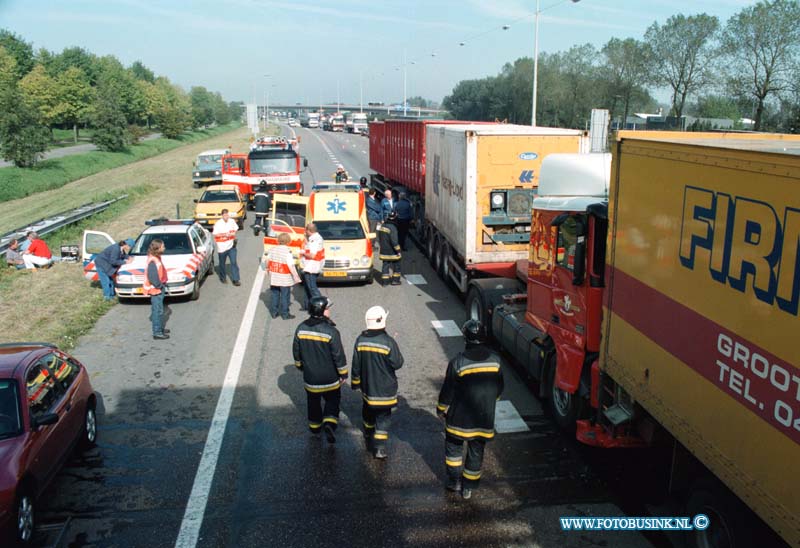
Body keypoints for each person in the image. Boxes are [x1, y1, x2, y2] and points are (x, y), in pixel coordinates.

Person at [436, 319, 504, 500]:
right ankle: (468, 487)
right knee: (476, 452)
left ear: (465, 338)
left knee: (453, 451)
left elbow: (448, 390)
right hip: (483, 420)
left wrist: (441, 408)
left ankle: (454, 481)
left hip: (458, 420)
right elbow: (498, 389)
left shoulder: (458, 362)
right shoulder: (495, 361)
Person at [351, 306, 404, 459]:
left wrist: (356, 383)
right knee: (383, 417)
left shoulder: (360, 340)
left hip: (368, 388)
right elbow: (397, 363)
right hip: (386, 389)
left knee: (368, 411)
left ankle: (368, 432)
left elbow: (356, 365)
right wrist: (394, 344)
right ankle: (380, 448)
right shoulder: (388, 342)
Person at [292, 296, 347, 443]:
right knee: (333, 400)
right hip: (330, 379)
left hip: (311, 379)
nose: (329, 311)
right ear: (322, 311)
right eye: (328, 309)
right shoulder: (331, 331)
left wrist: (300, 367)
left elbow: (296, 353)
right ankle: (329, 423)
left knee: (313, 402)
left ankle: (315, 427)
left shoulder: (301, 328)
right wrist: (343, 373)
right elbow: (338, 355)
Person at [266, 232, 301, 319]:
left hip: (274, 277)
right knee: (285, 296)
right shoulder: (287, 252)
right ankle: (285, 314)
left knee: (275, 295)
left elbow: (267, 261)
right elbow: (291, 266)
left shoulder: (272, 250)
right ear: (288, 241)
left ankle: (274, 312)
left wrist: (268, 270)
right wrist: (296, 277)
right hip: (284, 278)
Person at [143, 239, 170, 340]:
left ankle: (159, 328)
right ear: (157, 248)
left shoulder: (156, 257)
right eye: (163, 246)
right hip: (156, 290)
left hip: (158, 288)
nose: (164, 248)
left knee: (159, 310)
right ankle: (157, 332)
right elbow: (152, 277)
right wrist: (160, 285)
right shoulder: (153, 261)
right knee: (157, 311)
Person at [213, 209, 241, 286]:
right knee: (222, 263)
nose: (226, 217)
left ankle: (236, 279)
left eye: (227, 215)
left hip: (231, 246)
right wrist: (225, 235)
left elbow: (236, 229)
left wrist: (232, 234)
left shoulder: (231, 221)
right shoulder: (218, 224)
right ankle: (223, 277)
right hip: (222, 247)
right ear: (222, 215)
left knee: (234, 262)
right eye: (224, 215)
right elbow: (215, 234)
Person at [301, 223, 324, 310]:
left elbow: (312, 255)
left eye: (305, 230)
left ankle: (321, 305)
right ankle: (308, 305)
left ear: (308, 231)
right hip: (310, 266)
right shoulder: (314, 239)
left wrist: (302, 253)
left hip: (311, 267)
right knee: (308, 287)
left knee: (312, 288)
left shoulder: (315, 240)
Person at [377, 211, 402, 286]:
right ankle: (395, 280)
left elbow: (379, 238)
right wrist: (398, 251)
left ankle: (385, 282)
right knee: (397, 265)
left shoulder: (383, 226)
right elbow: (394, 241)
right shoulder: (393, 228)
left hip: (384, 251)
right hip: (392, 252)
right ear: (395, 218)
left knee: (385, 266)